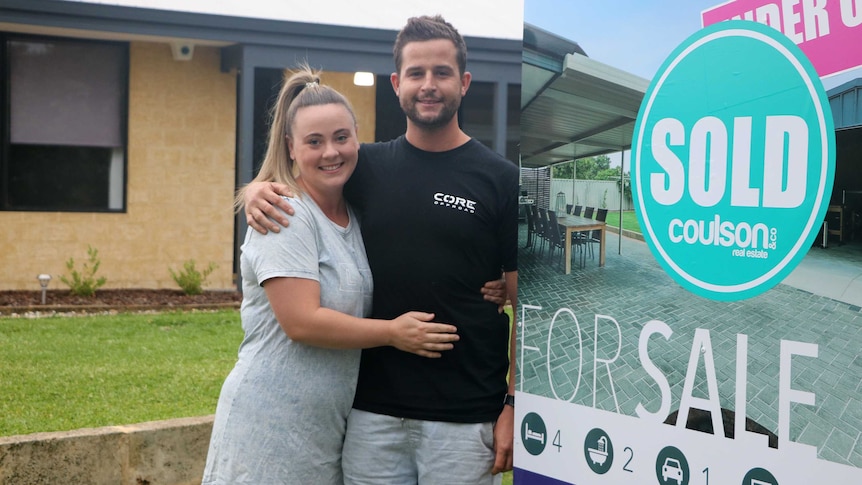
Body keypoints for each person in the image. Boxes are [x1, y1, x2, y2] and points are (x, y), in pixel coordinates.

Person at [243, 16, 518, 484]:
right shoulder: (363, 166)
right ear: (396, 83)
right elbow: (307, 170)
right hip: (370, 416)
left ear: (465, 82)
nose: (428, 85)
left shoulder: (501, 180)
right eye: (416, 73)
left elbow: (529, 307)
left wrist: (513, 404)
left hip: (465, 415)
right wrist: (256, 190)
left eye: (441, 72)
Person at [202, 66, 460, 485]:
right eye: (314, 142)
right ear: (290, 147)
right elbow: (301, 321)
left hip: (325, 431)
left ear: (358, 137)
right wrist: (394, 333)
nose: (331, 153)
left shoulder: (354, 212)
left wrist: (492, 280)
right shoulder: (284, 212)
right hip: (268, 422)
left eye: (341, 137)